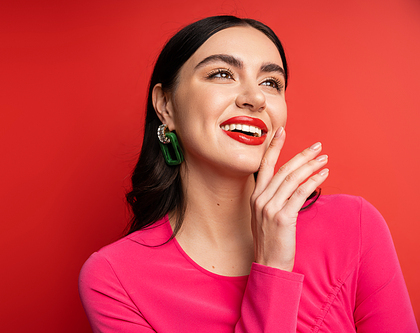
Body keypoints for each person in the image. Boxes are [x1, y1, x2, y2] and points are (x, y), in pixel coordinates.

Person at [79, 16, 418, 332]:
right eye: (222, 74)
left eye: (271, 82)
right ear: (166, 106)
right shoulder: (115, 278)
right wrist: (272, 268)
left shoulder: (353, 226)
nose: (256, 98)